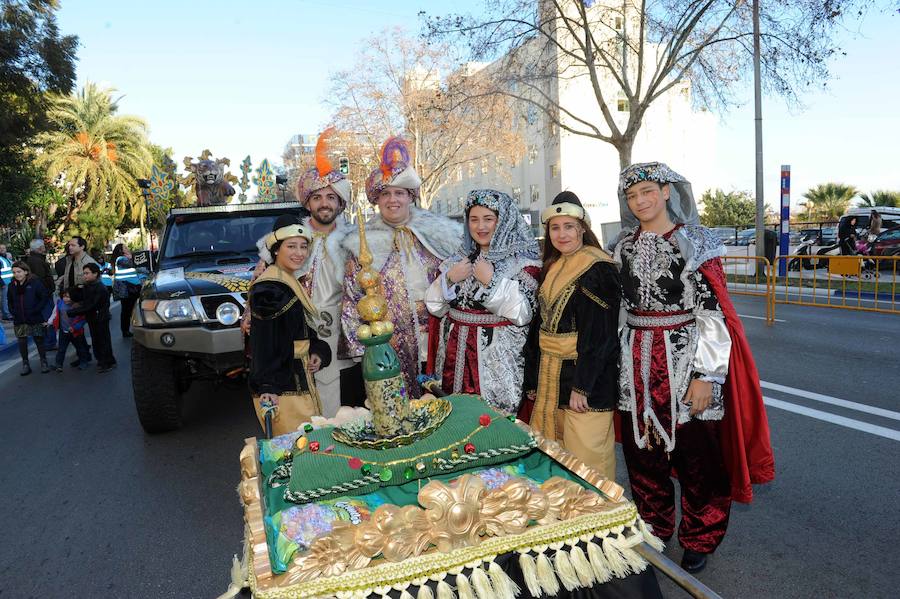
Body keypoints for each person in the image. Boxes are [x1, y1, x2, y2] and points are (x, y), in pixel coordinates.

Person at [613, 162, 774, 574]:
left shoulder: (695, 241)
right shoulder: (623, 245)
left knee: (699, 458)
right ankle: (654, 526)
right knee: (642, 454)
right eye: (632, 196)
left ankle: (700, 537)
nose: (640, 201)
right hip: (636, 364)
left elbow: (713, 313)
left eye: (647, 191)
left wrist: (708, 376)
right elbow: (619, 310)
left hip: (685, 360)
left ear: (667, 191)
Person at [340, 137, 462, 396]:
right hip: (389, 345)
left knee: (441, 406)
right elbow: (352, 299)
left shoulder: (437, 236)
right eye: (385, 193)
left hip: (437, 339)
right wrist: (364, 351)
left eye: (399, 192)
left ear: (410, 197)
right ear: (377, 199)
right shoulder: (362, 243)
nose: (392, 199)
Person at [522, 191, 621, 481]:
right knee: (557, 458)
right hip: (552, 379)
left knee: (588, 461)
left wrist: (583, 386)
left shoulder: (598, 268)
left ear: (582, 229)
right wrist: (533, 379)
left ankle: (600, 521)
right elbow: (538, 330)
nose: (562, 234)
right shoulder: (553, 267)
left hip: (585, 383)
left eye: (569, 226)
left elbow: (600, 336)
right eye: (555, 227)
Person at [425, 189, 540, 414]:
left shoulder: (522, 261)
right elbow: (434, 307)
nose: (481, 227)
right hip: (454, 359)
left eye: (489, 219)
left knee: (493, 426)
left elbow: (523, 314)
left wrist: (491, 282)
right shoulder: (459, 259)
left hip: (495, 364)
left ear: (503, 221)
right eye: (474, 219)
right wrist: (449, 278)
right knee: (454, 418)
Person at [292, 128, 364, 414]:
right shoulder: (290, 240)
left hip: (344, 333)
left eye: (331, 197)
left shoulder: (353, 242)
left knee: (344, 405)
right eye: (318, 197)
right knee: (304, 406)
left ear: (340, 204)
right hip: (300, 331)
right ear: (308, 202)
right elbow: (266, 282)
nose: (325, 203)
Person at [249, 215, 331, 436]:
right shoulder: (269, 289)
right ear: (276, 249)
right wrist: (267, 387)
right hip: (284, 389)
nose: (299, 253)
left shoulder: (287, 279)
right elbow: (263, 343)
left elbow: (298, 330)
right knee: (294, 452)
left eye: (303, 246)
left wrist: (317, 350)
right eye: (291, 246)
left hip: (299, 378)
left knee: (309, 448)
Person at [67, 263, 116, 373]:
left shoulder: (100, 288)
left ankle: (107, 362)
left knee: (103, 340)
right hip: (92, 318)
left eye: (87, 273)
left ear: (95, 274)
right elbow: (78, 298)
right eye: (84, 273)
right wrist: (76, 288)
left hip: (101, 318)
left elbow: (91, 305)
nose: (85, 276)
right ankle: (101, 360)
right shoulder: (87, 286)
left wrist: (73, 312)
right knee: (96, 340)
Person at [7, 261, 50, 375]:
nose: (17, 274)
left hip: (34, 317)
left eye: (19, 271)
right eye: (14, 272)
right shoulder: (12, 285)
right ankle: (25, 364)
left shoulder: (35, 283)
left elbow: (44, 297)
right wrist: (13, 311)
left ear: (25, 271)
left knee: (38, 339)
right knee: (22, 341)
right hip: (19, 318)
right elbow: (10, 301)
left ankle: (43, 362)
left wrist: (36, 309)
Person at [47, 287, 91, 372]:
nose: (66, 299)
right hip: (64, 331)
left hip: (76, 332)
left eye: (68, 297)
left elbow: (82, 319)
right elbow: (55, 314)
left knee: (80, 348)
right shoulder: (60, 303)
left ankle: (84, 361)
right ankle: (58, 364)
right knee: (61, 349)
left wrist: (75, 327)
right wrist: (49, 322)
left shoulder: (77, 306)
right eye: (64, 296)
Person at [25, 239, 57, 351]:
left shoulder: (34, 260)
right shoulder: (36, 261)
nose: (45, 248)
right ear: (39, 248)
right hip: (44, 295)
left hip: (42, 294)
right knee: (48, 318)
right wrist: (47, 291)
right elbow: (41, 279)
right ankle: (50, 343)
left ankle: (48, 342)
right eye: (43, 246)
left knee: (46, 318)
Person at [110, 244, 147, 338]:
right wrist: (132, 258)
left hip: (131, 287)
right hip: (127, 289)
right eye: (125, 248)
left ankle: (128, 329)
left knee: (129, 310)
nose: (128, 249)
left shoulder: (123, 259)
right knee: (127, 311)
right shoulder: (121, 259)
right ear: (121, 251)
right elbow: (134, 265)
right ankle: (126, 331)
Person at [0, 249, 12, 321]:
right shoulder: (1, 259)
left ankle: (7, 313)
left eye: (4, 248)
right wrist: (1, 283)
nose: (3, 250)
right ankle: (6, 314)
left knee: (7, 298)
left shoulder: (6, 258)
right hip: (4, 282)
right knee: (5, 299)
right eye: (1, 248)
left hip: (9, 281)